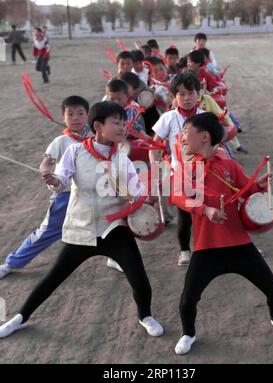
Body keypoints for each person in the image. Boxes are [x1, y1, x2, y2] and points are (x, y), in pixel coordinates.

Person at [0, 101, 163, 339]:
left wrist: (144, 200)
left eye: (123, 122)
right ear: (98, 126)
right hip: (83, 228)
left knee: (139, 279)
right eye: (116, 123)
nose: (122, 127)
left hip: (113, 229)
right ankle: (20, 317)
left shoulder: (122, 158)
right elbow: (63, 181)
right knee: (53, 277)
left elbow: (135, 192)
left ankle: (145, 316)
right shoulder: (75, 152)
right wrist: (54, 182)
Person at [171, 112, 273, 355]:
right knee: (188, 300)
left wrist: (258, 186)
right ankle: (188, 334)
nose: (182, 137)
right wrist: (206, 210)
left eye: (187, 132)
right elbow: (178, 196)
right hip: (206, 246)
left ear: (204, 137)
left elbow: (246, 191)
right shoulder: (187, 169)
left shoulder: (228, 165)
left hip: (238, 243)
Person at [0, 96, 90, 280]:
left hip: (91, 195)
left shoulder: (95, 138)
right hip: (65, 196)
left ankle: (118, 259)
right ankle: (11, 263)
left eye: (80, 113)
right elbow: (45, 163)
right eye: (70, 114)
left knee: (111, 228)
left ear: (88, 116)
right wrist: (46, 173)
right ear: (63, 117)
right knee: (45, 233)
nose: (75, 118)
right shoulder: (60, 141)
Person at [149, 71, 206, 266]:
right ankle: (184, 250)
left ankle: (204, 247)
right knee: (185, 215)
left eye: (190, 93)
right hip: (179, 174)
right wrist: (155, 172)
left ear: (198, 93)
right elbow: (155, 146)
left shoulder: (205, 117)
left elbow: (217, 144)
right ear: (174, 97)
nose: (187, 98)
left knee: (205, 212)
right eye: (181, 94)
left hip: (205, 173)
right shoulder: (168, 118)